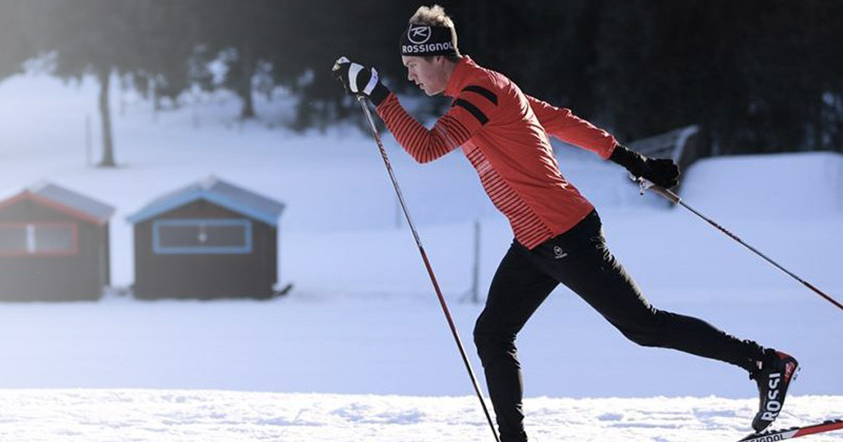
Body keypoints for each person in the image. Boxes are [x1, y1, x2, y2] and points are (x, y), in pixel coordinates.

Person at [331, 5, 798, 441]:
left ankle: (764, 362)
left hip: (564, 233)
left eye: (413, 63)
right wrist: (629, 158)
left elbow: (426, 149)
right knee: (492, 332)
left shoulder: (480, 91)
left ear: (436, 56)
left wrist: (380, 96)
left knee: (643, 327)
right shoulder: (483, 89)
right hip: (533, 242)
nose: (410, 74)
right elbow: (558, 120)